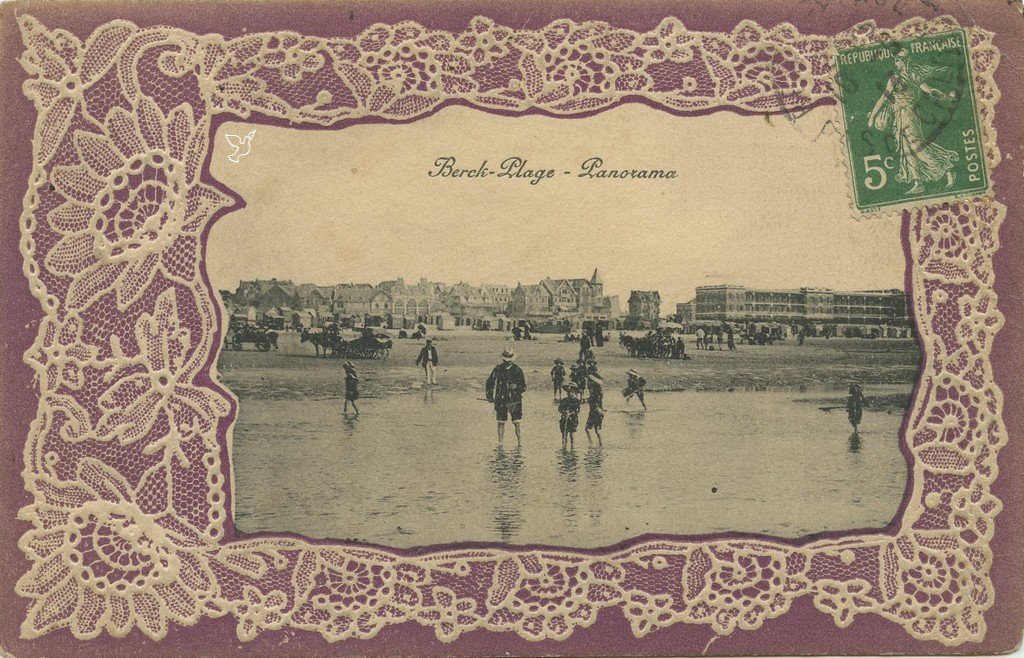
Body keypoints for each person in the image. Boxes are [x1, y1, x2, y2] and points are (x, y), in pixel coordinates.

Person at [868, 49, 959, 194]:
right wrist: (873, 115)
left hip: (908, 114)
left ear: (904, 62)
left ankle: (947, 169)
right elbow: (884, 98)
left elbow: (930, 90)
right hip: (899, 116)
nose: (896, 62)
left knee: (917, 145)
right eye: (896, 60)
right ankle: (918, 183)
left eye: (898, 60)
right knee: (906, 150)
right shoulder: (896, 78)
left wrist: (947, 97)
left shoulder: (909, 76)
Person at [486, 349, 527, 442]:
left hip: (515, 400)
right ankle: (500, 443)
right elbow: (489, 382)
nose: (508, 362)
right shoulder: (498, 369)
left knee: (517, 423)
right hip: (501, 399)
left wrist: (516, 387)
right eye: (506, 360)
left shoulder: (518, 370)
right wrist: (490, 396)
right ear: (503, 360)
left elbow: (524, 387)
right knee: (501, 422)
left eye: (509, 360)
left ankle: (519, 443)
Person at [585, 373, 605, 444]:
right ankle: (600, 443)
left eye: (589, 381)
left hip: (594, 411)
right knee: (597, 429)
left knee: (587, 428)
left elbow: (594, 401)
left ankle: (591, 443)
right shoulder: (599, 390)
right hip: (599, 411)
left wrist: (587, 400)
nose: (588, 382)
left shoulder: (595, 391)